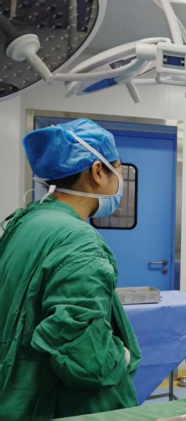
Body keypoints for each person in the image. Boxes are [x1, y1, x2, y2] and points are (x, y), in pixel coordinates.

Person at [0, 119, 141, 420]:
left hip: (12, 394)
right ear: (98, 172)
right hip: (55, 407)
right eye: (117, 169)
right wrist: (121, 356)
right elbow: (85, 358)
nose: (120, 180)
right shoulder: (79, 242)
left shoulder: (27, 221)